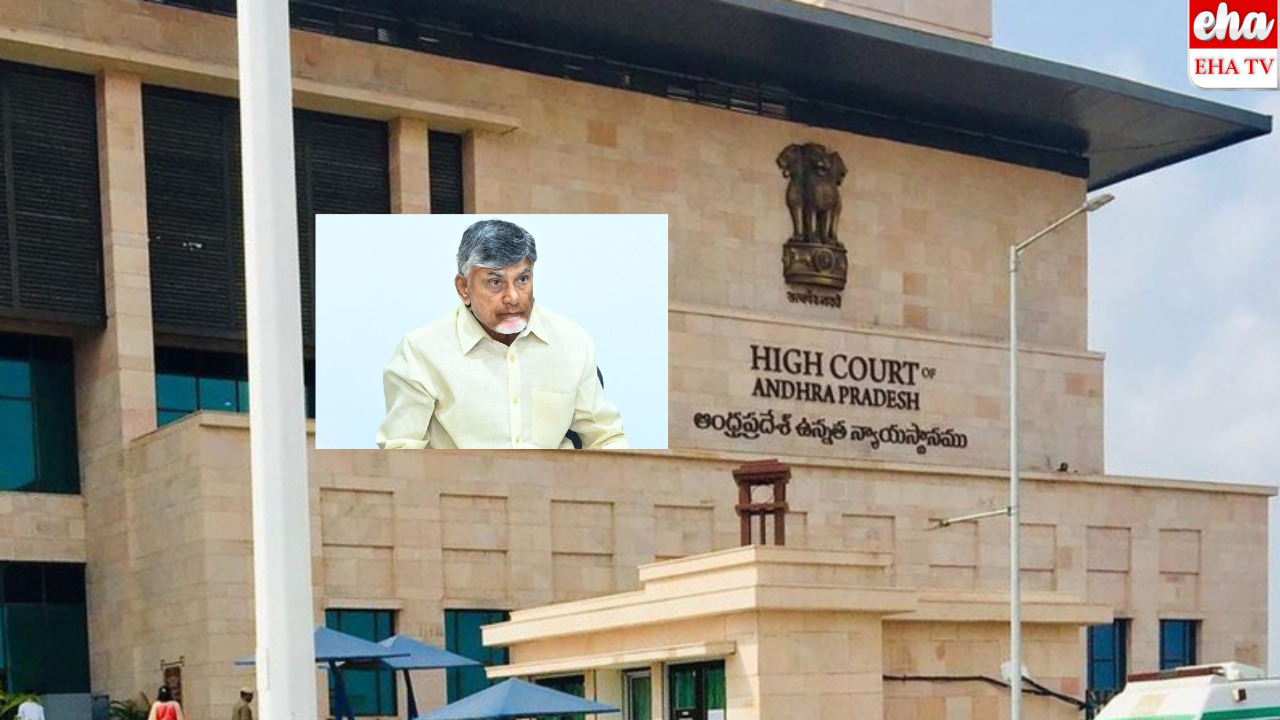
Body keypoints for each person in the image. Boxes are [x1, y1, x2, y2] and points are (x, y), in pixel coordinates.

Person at [376, 219, 629, 449]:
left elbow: (606, 439)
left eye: (522, 279)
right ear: (464, 288)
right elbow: (402, 453)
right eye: (495, 282)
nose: (513, 297)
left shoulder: (571, 342)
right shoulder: (420, 352)